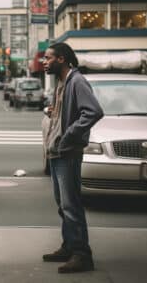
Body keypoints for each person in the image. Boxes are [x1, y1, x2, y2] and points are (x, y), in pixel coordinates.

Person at [42, 42, 103, 273]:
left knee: (71, 205)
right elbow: (71, 112)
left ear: (62, 59)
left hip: (67, 152)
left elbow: (94, 111)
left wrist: (69, 135)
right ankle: (69, 246)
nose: (44, 62)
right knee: (63, 205)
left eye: (48, 58)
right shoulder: (61, 83)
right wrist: (54, 111)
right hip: (57, 152)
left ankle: (81, 254)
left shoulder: (77, 81)